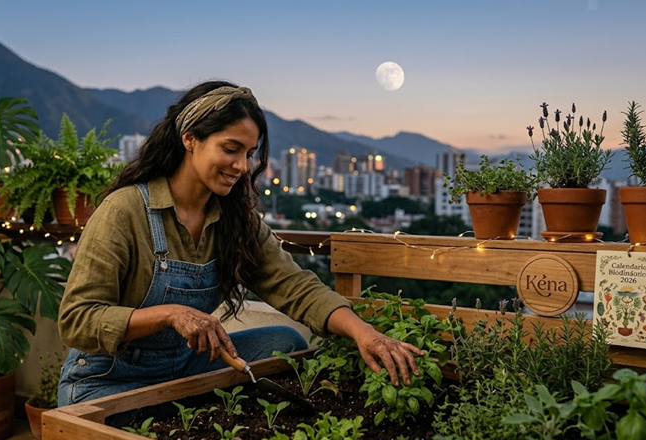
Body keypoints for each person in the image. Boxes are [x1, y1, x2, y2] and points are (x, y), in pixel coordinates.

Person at [57, 81, 422, 407]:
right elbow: (77, 320)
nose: (242, 165)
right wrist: (170, 314)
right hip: (108, 379)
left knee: (283, 341)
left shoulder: (234, 219)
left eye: (249, 153)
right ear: (190, 138)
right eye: (230, 149)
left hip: (184, 367)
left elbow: (293, 285)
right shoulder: (124, 211)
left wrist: (365, 333)